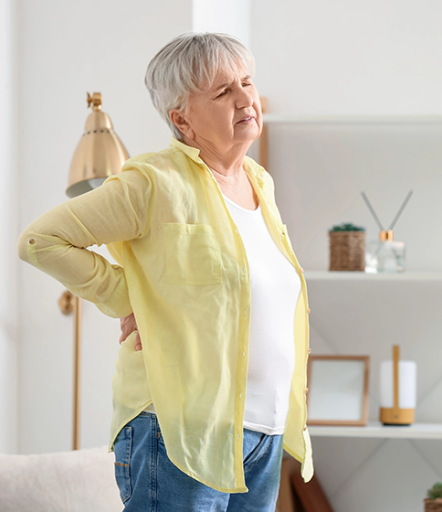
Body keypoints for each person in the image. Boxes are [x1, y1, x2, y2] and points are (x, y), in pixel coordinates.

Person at [17, 32, 313, 511]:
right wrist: (129, 298)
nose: (245, 98)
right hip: (176, 428)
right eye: (222, 92)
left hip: (264, 432)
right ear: (181, 118)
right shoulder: (154, 182)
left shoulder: (259, 183)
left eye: (246, 82)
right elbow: (40, 241)